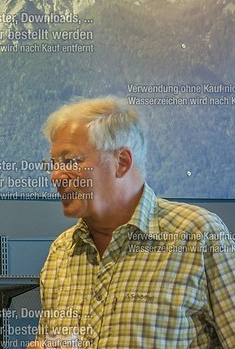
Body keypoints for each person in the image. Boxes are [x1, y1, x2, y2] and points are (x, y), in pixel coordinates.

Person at [29, 96, 235, 348]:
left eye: (70, 161)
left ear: (122, 162)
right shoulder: (62, 252)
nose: (55, 176)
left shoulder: (198, 235)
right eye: (53, 164)